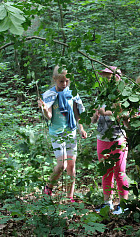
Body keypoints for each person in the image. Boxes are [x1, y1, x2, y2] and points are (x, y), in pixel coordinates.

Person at [38, 66, 87, 201]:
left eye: (66, 81)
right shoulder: (49, 95)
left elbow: (77, 113)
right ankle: (48, 187)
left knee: (71, 165)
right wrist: (43, 109)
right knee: (62, 165)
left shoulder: (72, 93)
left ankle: (69, 197)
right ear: (55, 80)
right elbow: (48, 115)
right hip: (57, 133)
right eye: (61, 81)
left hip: (70, 132)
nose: (64, 84)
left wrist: (81, 128)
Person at [91, 66, 129, 215]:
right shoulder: (100, 96)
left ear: (118, 79)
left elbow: (122, 115)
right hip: (102, 138)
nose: (107, 81)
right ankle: (107, 202)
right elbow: (94, 119)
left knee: (120, 172)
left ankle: (123, 204)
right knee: (105, 172)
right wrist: (94, 116)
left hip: (118, 138)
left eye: (110, 77)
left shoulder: (122, 97)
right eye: (105, 78)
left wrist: (104, 112)